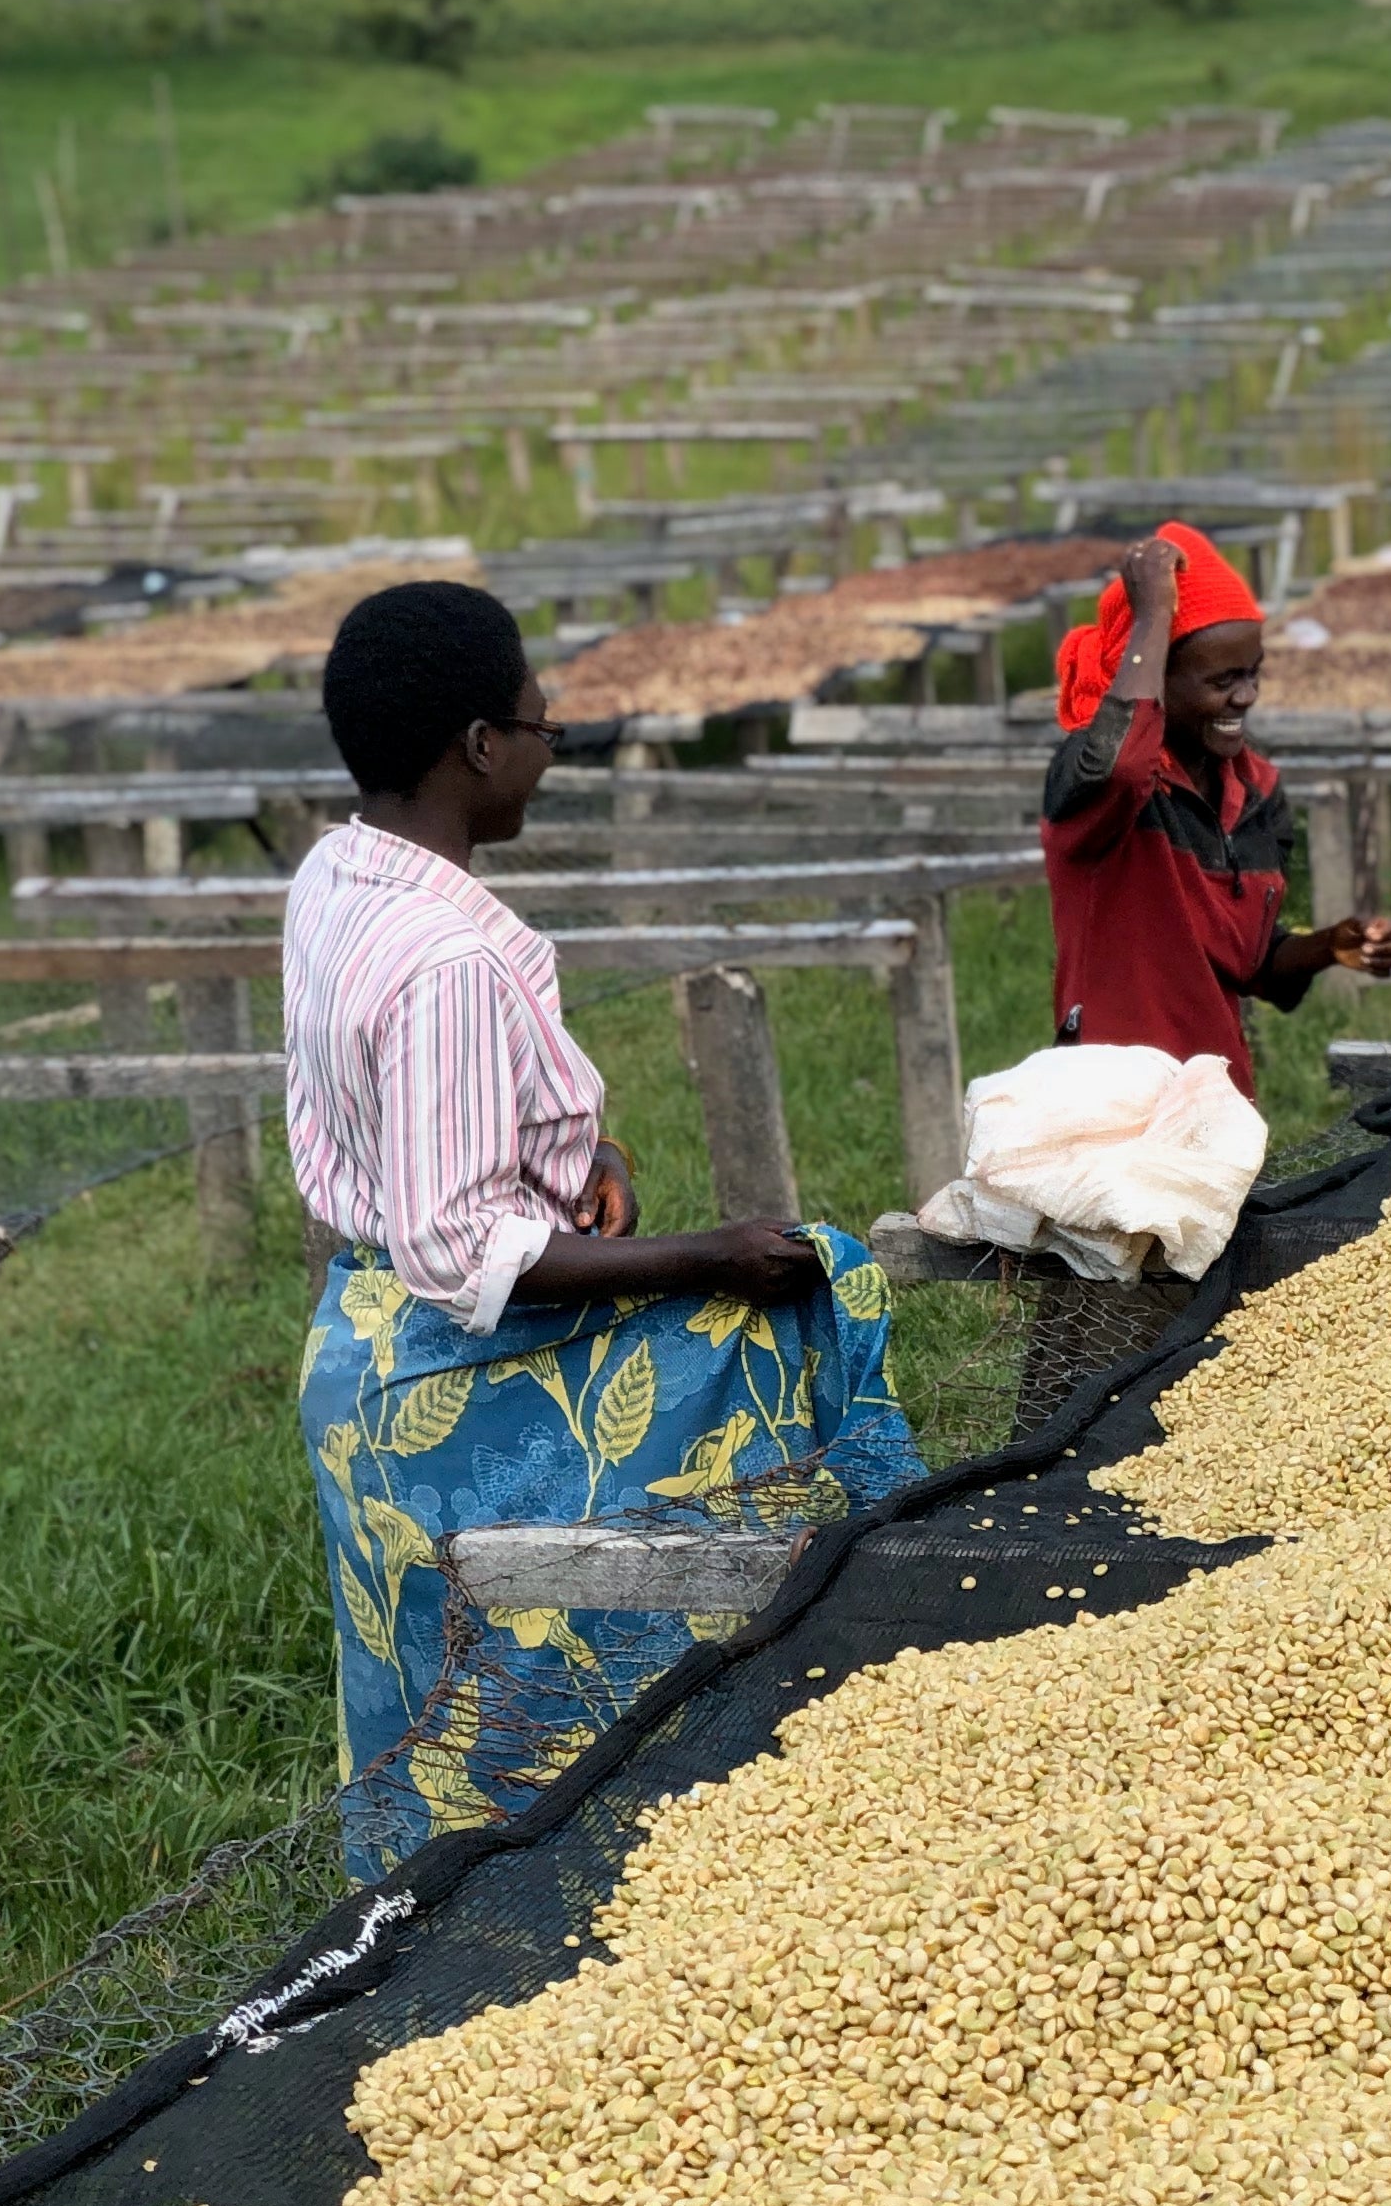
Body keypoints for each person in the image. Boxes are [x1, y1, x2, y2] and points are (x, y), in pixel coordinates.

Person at [286, 581, 923, 1880]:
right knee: (813, 1289)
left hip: (353, 1360)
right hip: (443, 1373)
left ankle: (450, 1920)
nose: (543, 748)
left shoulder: (338, 872)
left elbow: (417, 1141)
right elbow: (462, 1245)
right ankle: (843, 1682)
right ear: (479, 747)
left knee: (432, 1690)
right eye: (541, 725)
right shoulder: (447, 962)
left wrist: (581, 1165)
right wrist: (706, 1256)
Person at [1044, 523, 1391, 1095]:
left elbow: (1251, 963)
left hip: (1214, 1102)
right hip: (1108, 1102)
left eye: (1252, 672)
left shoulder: (1255, 790)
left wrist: (1329, 946)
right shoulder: (1097, 788)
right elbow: (1121, 767)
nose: (1246, 696)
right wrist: (1152, 618)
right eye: (1222, 680)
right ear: (1157, 677)